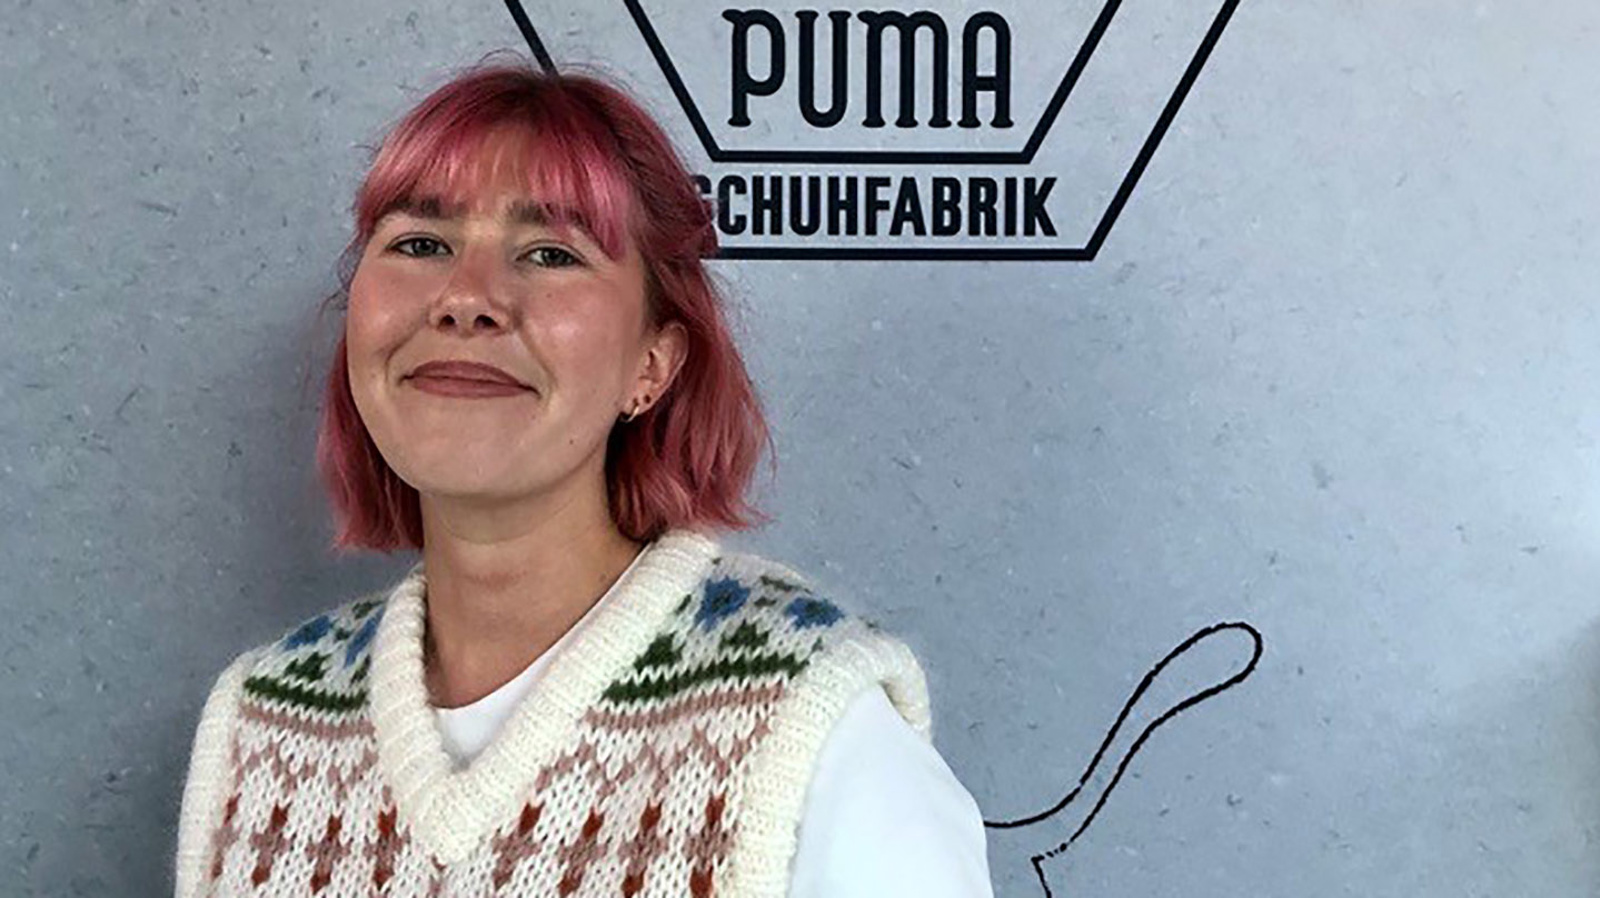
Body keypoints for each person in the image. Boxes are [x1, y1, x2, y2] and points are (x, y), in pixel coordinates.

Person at [172, 55, 993, 897]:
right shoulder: (261, 723)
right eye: (420, 243)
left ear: (652, 364)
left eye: (550, 254)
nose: (465, 297)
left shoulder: (814, 724)